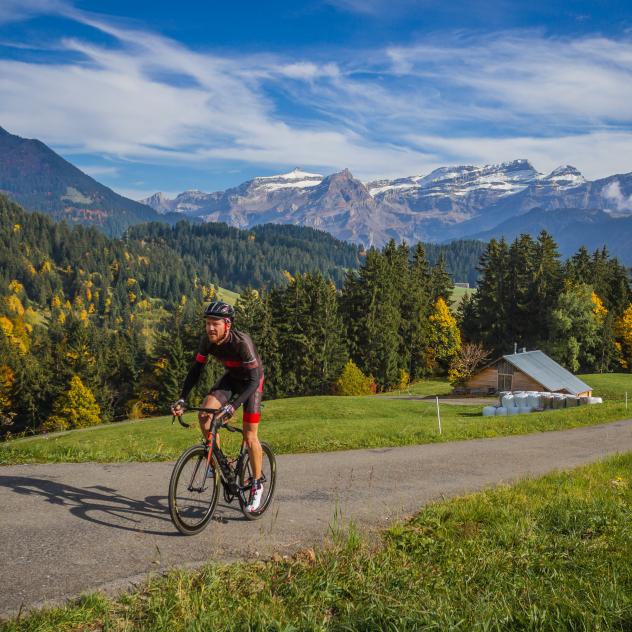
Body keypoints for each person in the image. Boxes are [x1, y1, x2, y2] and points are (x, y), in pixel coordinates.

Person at [171, 300, 265, 512]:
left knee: (250, 436)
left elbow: (253, 380)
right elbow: (196, 370)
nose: (210, 328)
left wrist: (232, 407)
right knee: (205, 416)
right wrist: (182, 398)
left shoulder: (242, 343)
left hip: (252, 383)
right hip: (231, 379)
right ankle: (220, 463)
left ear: (227, 325)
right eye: (207, 323)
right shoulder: (208, 341)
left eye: (215, 323)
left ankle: (257, 484)